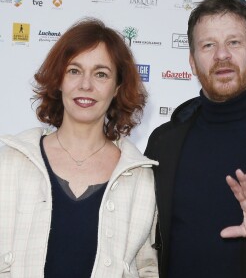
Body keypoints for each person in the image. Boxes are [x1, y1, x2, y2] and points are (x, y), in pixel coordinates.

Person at [145, 0, 246, 278]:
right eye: (208, 45)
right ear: (192, 62)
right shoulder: (163, 142)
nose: (221, 55)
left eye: (234, 42)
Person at [0, 18, 158, 278]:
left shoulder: (140, 177)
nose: (86, 85)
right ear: (59, 79)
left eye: (101, 74)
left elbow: (147, 270)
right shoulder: (11, 163)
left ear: (117, 87)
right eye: (74, 70)